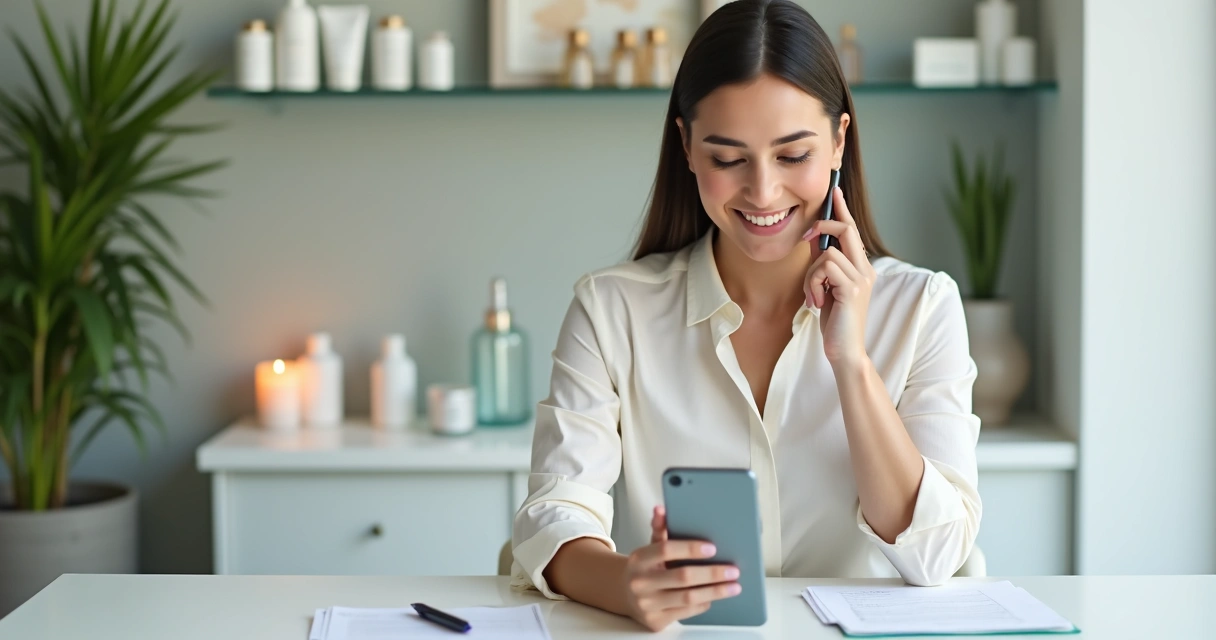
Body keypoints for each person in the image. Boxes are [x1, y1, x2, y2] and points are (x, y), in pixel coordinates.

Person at [510, 0, 981, 631]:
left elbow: (936, 554)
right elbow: (553, 516)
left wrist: (851, 362)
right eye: (728, 159)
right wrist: (628, 583)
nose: (762, 192)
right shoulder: (610, 309)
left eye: (792, 156)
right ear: (686, 146)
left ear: (840, 139)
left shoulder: (922, 307)